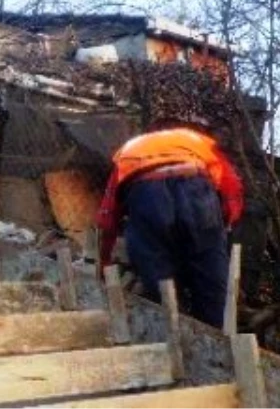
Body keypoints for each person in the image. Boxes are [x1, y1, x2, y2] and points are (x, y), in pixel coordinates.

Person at [96, 117, 244, 327]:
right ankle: (217, 340)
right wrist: (223, 226)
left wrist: (104, 261)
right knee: (210, 281)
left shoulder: (131, 148)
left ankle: (170, 331)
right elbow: (232, 191)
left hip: (146, 195)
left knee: (158, 278)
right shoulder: (199, 142)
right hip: (196, 190)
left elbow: (107, 215)